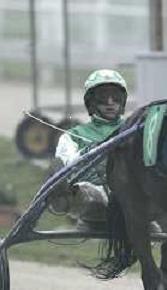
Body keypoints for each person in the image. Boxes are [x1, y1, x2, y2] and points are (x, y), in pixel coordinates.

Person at [49, 68, 129, 232]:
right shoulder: (73, 135)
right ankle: (60, 199)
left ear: (123, 101)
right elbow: (68, 166)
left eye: (116, 97)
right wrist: (91, 151)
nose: (110, 102)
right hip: (92, 194)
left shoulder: (133, 129)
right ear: (91, 102)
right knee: (86, 190)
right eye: (102, 97)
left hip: (129, 194)